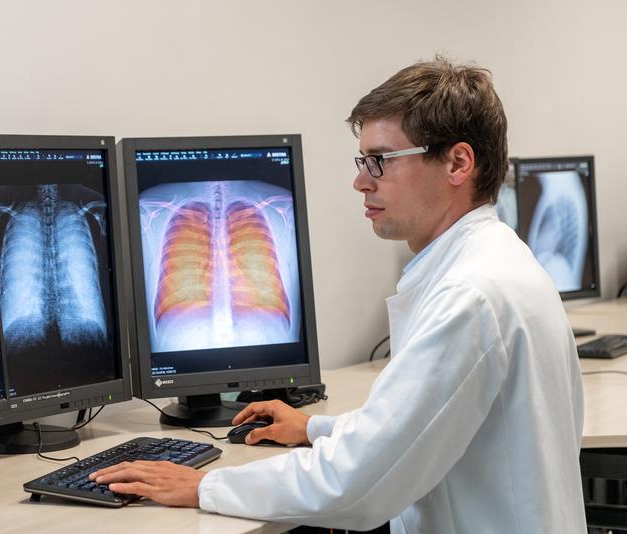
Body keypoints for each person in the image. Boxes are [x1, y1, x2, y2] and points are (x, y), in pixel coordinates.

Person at [90, 56, 587, 533]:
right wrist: (317, 429)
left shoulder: (472, 296)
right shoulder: (498, 262)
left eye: (379, 161)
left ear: (458, 162)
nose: (358, 181)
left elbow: (358, 483)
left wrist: (205, 486)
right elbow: (412, 428)